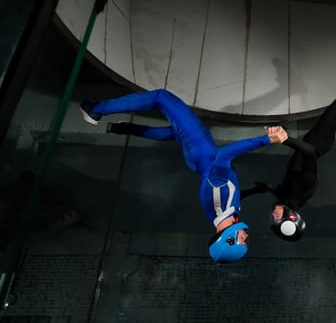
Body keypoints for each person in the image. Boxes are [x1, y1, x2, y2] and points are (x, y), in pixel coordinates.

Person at [79, 89, 288, 262]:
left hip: (202, 150)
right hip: (197, 162)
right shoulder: (222, 215)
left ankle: (95, 111)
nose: (246, 236)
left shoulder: (221, 202)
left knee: (160, 98)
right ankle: (117, 128)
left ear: (230, 239)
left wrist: (267, 140)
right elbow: (234, 196)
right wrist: (257, 190)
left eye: (242, 240)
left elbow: (224, 155)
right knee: (173, 133)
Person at [241, 56, 336, 241]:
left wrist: (253, 191)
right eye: (277, 218)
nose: (273, 215)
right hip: (319, 141)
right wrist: (284, 139)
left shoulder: (284, 198)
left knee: (332, 120)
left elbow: (271, 189)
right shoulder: (303, 190)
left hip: (314, 140)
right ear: (290, 216)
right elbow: (309, 152)